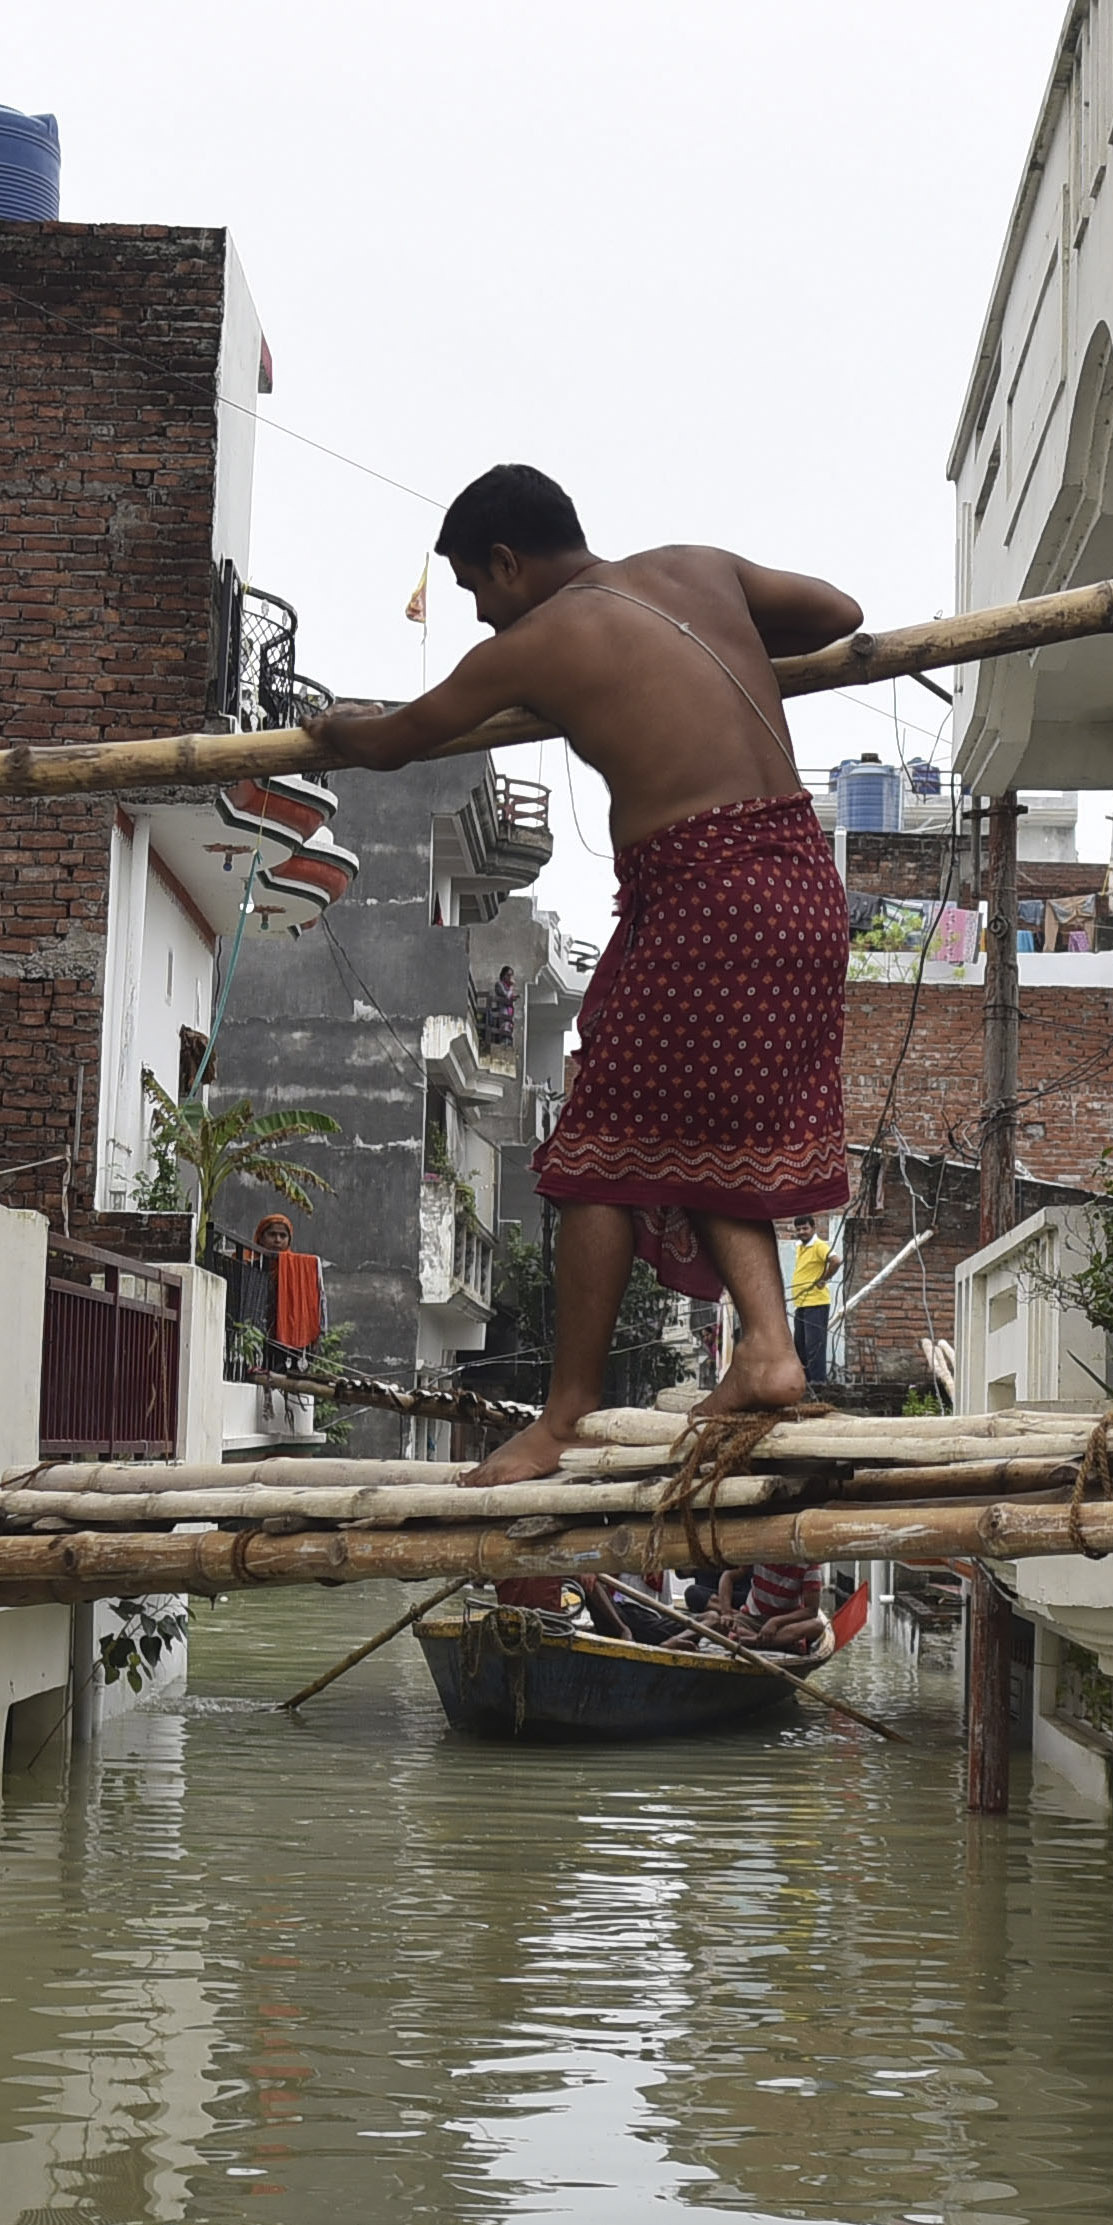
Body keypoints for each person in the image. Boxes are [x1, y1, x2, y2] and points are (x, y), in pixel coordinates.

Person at [311, 465, 861, 1480]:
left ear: (511, 563)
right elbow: (839, 611)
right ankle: (771, 1349)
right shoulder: (697, 568)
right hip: (800, 882)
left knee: (594, 1156)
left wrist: (318, 732)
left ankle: (563, 1416)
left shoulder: (538, 643)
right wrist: (721, 650)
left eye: (477, 590)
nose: (479, 618)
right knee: (699, 1132)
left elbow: (393, 742)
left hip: (709, 892)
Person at [786, 1217, 838, 1388]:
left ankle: (818, 1382)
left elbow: (836, 1260)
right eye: (799, 1229)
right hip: (802, 1304)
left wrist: (824, 1279)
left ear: (814, 1228)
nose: (801, 1232)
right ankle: (807, 1382)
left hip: (816, 1303)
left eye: (805, 1228)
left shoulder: (818, 1246)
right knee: (800, 1345)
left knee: (814, 1344)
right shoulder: (801, 1247)